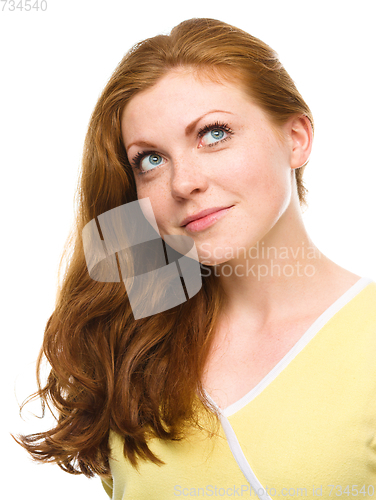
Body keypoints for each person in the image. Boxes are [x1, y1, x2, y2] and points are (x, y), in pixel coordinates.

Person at [16, 17, 376, 499]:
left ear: (296, 138)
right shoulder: (134, 343)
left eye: (214, 133)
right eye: (151, 159)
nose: (183, 183)